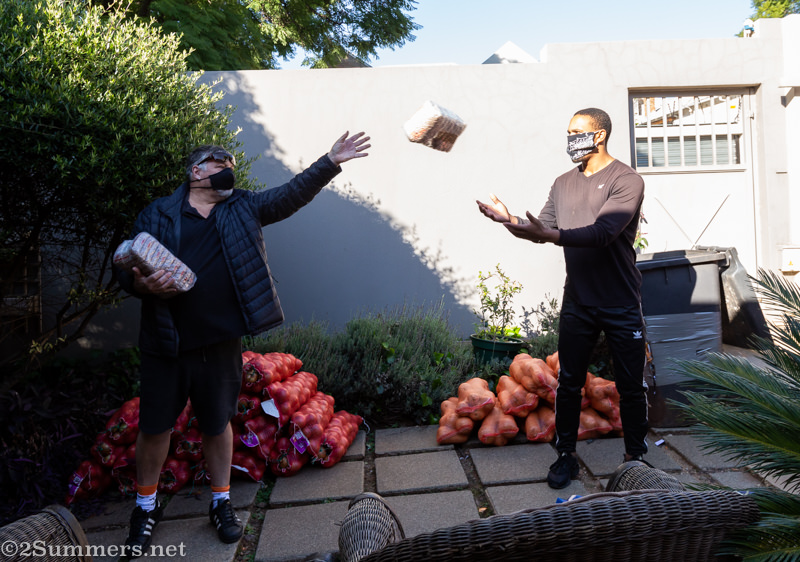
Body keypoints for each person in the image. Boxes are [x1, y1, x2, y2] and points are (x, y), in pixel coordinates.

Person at [115, 131, 370, 556]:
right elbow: (127, 270)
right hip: (168, 342)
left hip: (220, 342)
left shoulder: (242, 206)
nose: (229, 170)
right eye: (220, 163)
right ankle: (144, 507)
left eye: (232, 164)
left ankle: (221, 502)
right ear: (196, 171)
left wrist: (329, 161)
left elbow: (290, 196)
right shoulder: (158, 213)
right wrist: (143, 283)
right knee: (155, 427)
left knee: (218, 424)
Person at [476, 108, 648, 490]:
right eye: (568, 132)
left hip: (620, 300)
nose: (570, 138)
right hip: (579, 301)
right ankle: (566, 456)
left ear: (599, 135)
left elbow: (602, 233)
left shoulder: (627, 180)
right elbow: (542, 230)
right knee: (569, 382)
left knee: (631, 385)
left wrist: (548, 234)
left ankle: (636, 459)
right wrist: (509, 221)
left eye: (577, 132)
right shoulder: (562, 182)